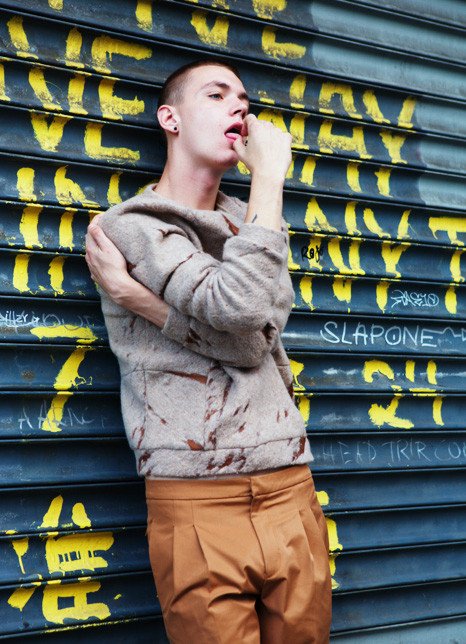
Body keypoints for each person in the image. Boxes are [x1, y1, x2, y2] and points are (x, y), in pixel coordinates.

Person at [85, 59, 331, 643]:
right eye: (217, 95)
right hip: (195, 497)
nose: (239, 106)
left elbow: (256, 336)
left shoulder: (252, 222)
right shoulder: (134, 225)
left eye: (243, 98)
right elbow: (241, 311)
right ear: (170, 119)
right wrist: (268, 179)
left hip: (289, 482)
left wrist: (145, 302)